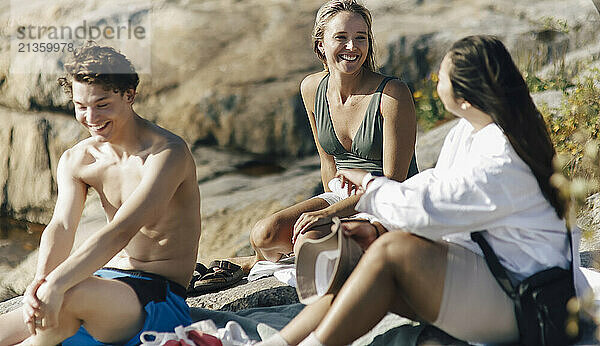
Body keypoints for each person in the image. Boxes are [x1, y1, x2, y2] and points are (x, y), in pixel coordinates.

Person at [258, 35, 591, 346]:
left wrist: (371, 187)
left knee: (392, 251)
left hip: (531, 306)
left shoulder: (504, 153)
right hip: (498, 281)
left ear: (463, 96)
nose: (436, 83)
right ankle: (283, 342)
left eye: (442, 78)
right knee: (365, 254)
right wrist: (373, 223)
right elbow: (433, 184)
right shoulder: (471, 131)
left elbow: (431, 209)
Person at [205, 0, 417, 287]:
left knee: (309, 240)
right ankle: (254, 263)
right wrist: (330, 205)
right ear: (321, 44)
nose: (352, 47)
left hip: (388, 201)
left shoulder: (392, 93)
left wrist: (328, 215)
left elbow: (394, 182)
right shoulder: (312, 87)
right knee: (264, 234)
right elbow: (328, 163)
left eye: (361, 38)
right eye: (341, 37)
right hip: (343, 197)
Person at [0, 44, 202, 346]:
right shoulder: (79, 159)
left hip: (156, 295)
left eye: (102, 104)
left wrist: (57, 284)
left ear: (129, 95)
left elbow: (121, 231)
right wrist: (41, 283)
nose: (91, 117)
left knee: (69, 296)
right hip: (104, 281)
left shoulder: (166, 154)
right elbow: (62, 226)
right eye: (81, 106)